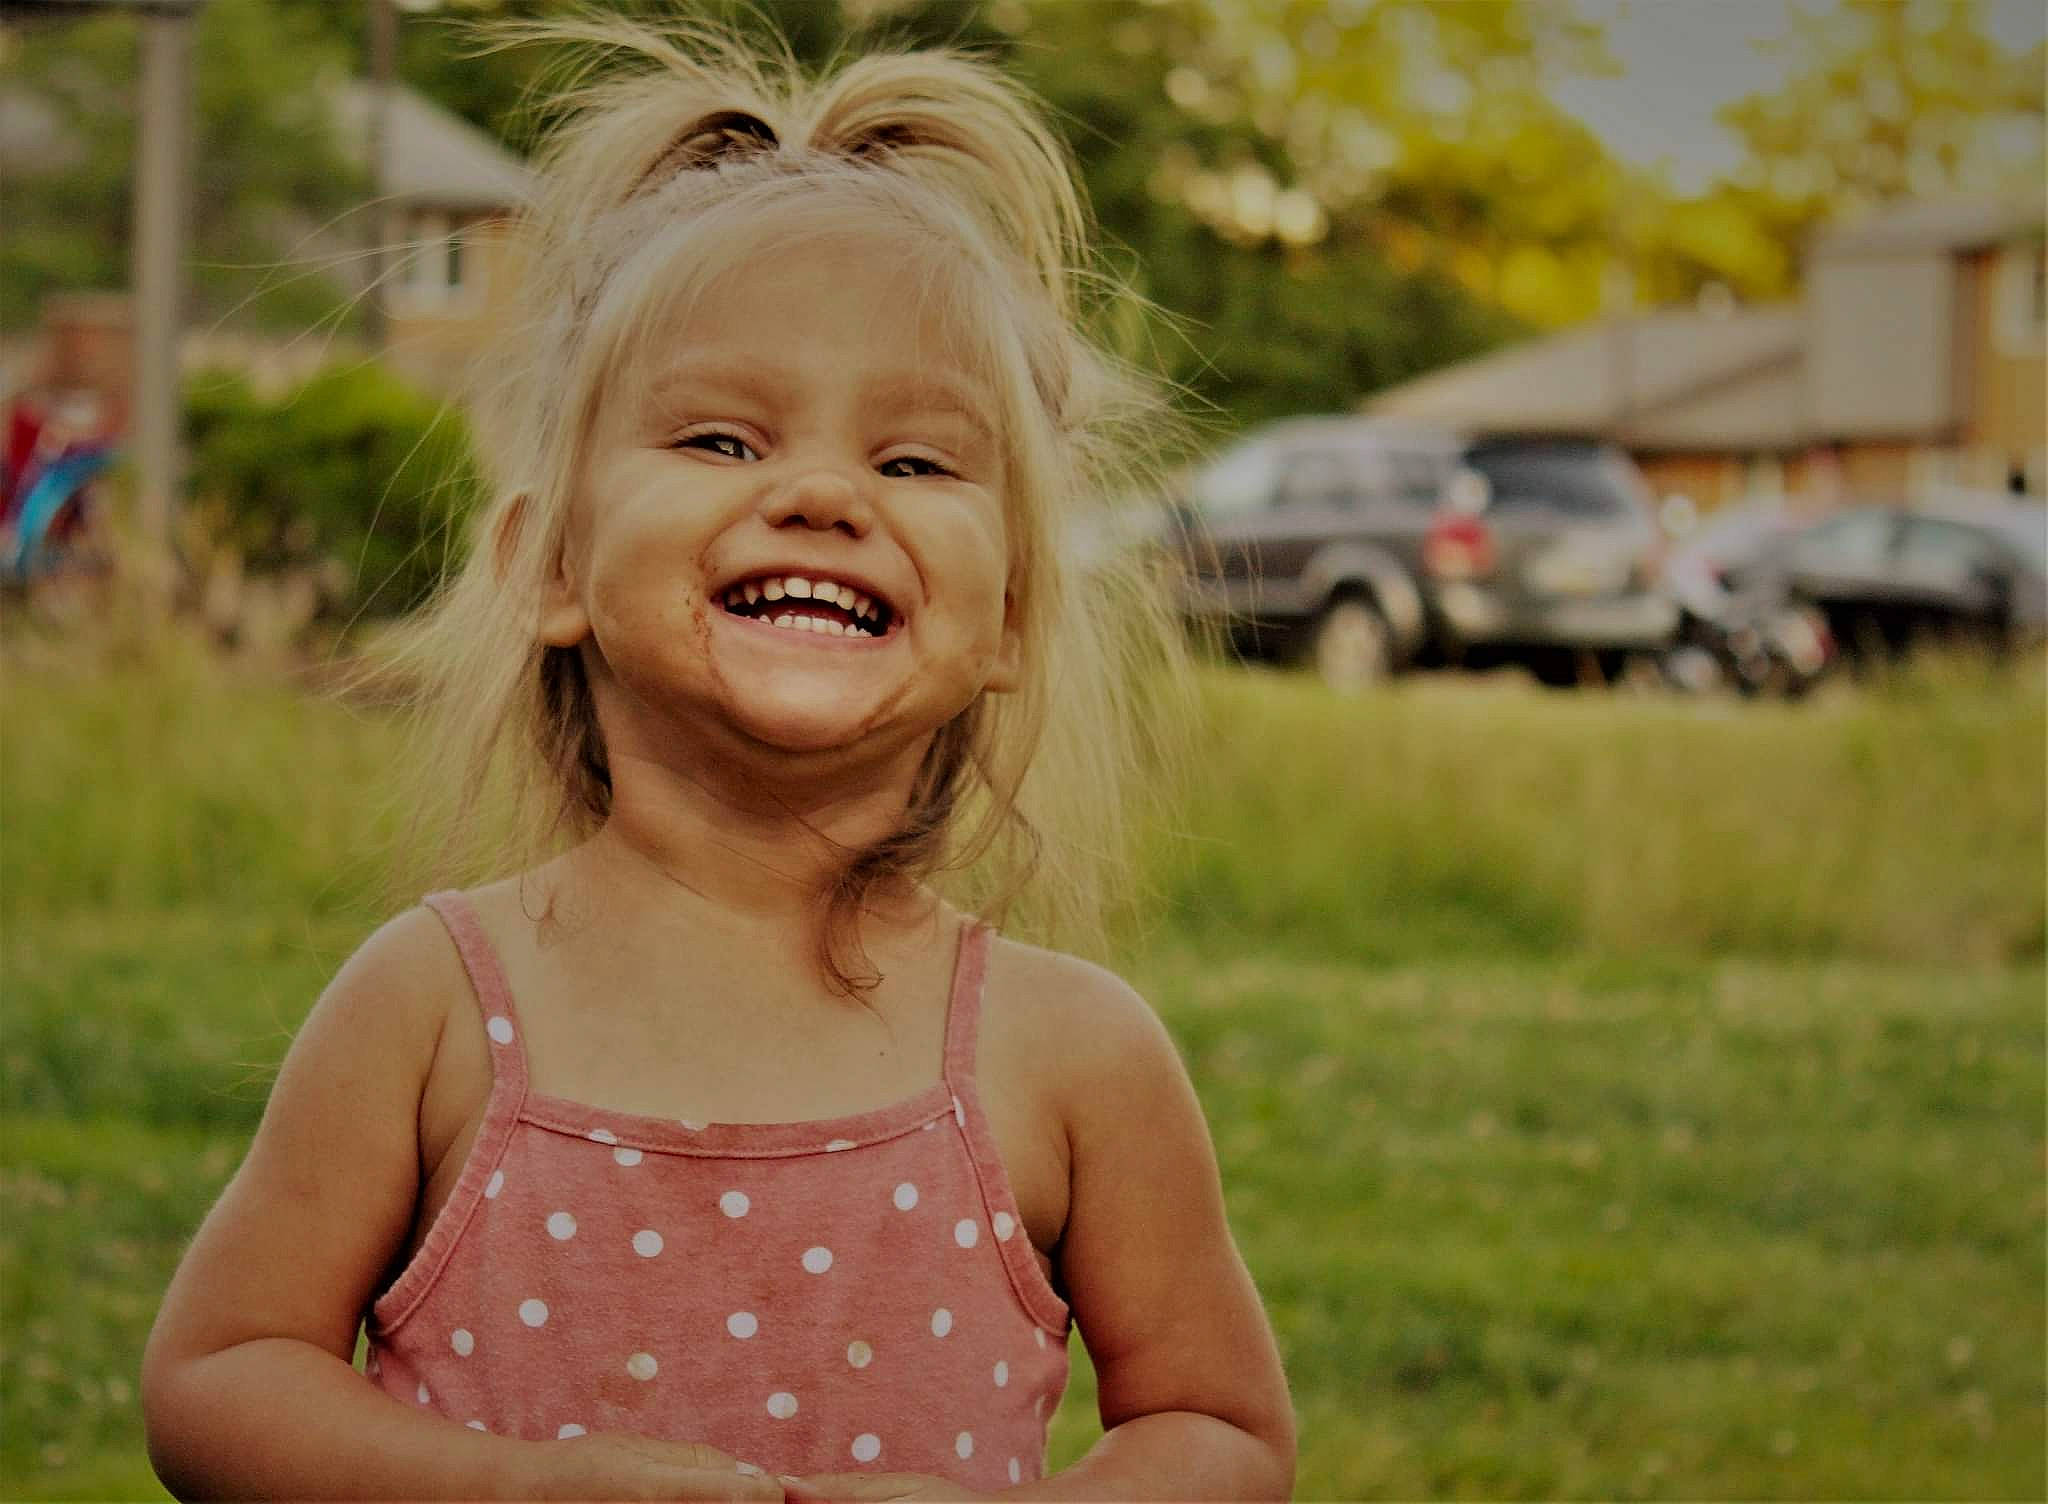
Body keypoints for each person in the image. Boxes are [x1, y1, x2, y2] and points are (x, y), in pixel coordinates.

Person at [142, 20, 1293, 1502]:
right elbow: (220, 1379)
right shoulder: (432, 1008)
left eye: (915, 463)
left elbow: (1223, 1433)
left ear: (1009, 613)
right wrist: (502, 1488)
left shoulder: (1073, 1056)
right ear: (547, 564)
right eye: (721, 439)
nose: (821, 493)